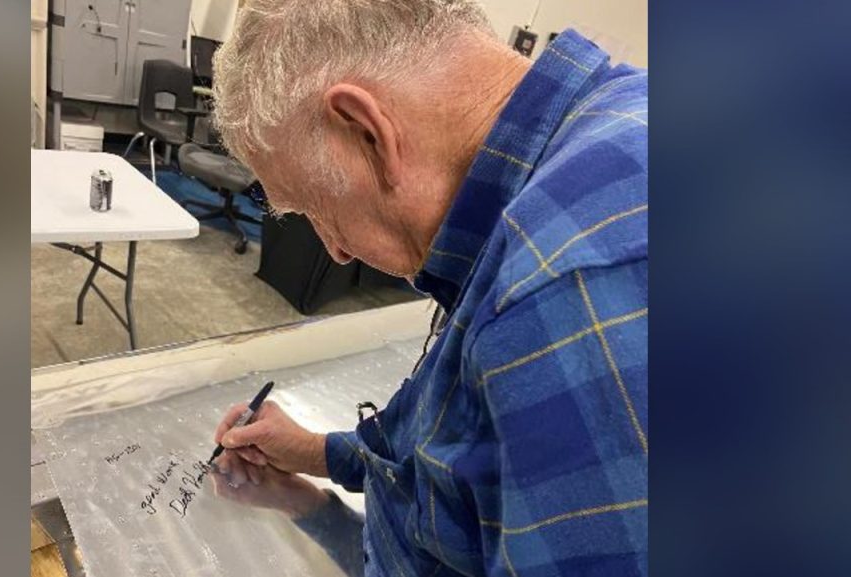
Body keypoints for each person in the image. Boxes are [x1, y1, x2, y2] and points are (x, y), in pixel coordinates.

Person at [209, 1, 648, 575]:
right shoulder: (595, 133)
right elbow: (463, 464)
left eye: (316, 208)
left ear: (368, 133)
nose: (336, 250)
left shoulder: (560, 291)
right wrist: (315, 465)